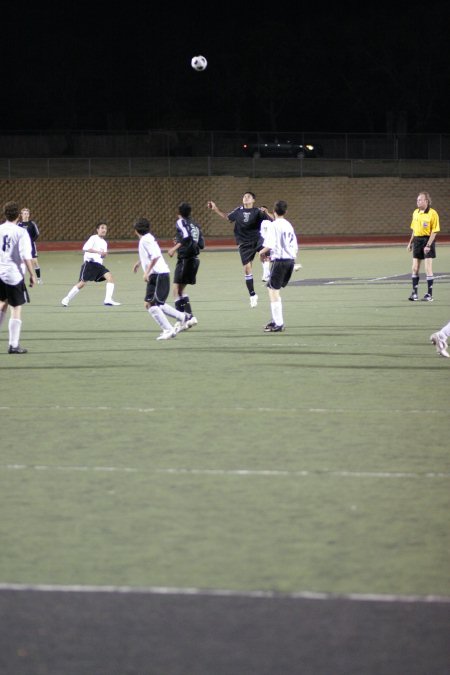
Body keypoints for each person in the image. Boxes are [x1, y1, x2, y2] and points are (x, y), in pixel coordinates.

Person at [133, 218, 197, 340]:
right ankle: (184, 318)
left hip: (158, 275)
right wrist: (139, 262)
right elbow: (153, 254)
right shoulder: (149, 238)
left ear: (136, 231)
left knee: (150, 305)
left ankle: (168, 329)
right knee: (157, 304)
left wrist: (146, 272)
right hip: (160, 274)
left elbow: (156, 256)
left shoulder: (144, 241)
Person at [207, 192, 272, 307]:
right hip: (244, 243)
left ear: (253, 200)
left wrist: (267, 212)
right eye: (244, 196)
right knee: (247, 269)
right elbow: (227, 217)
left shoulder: (257, 211)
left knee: (267, 250)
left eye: (248, 197)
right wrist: (215, 208)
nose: (246, 198)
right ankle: (252, 295)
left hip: (257, 239)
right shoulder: (238, 211)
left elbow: (273, 220)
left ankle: (268, 272)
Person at [0, 201, 36, 353]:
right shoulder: (21, 232)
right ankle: (13, 345)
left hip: (0, 272)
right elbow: (26, 256)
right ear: (18, 216)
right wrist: (33, 274)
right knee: (16, 308)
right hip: (14, 275)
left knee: (2, 304)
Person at [259, 199, 298, 332]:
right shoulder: (289, 225)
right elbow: (294, 245)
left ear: (274, 211)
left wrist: (261, 253)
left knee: (273, 290)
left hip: (280, 261)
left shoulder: (273, 225)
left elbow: (269, 244)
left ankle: (279, 323)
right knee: (274, 289)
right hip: (289, 260)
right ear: (285, 211)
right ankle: (276, 319)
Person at [61, 222, 121, 307]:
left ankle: (108, 300)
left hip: (99, 266)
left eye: (105, 228)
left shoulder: (104, 243)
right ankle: (66, 299)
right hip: (90, 264)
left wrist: (103, 255)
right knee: (82, 283)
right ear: (97, 230)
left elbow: (102, 255)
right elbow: (85, 248)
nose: (104, 230)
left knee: (110, 278)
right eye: (102, 228)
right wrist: (98, 252)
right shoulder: (93, 238)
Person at [167, 202, 203, 332]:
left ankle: (180, 320)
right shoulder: (196, 225)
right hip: (194, 260)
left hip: (185, 260)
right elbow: (201, 244)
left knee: (176, 290)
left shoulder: (181, 222)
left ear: (179, 213)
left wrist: (174, 248)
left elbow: (186, 237)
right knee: (181, 290)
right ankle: (190, 317)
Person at [406, 191, 440, 301]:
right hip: (417, 240)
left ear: (426, 201)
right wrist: (410, 243)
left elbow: (434, 231)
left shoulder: (433, 213)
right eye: (417, 200)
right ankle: (414, 293)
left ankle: (429, 294)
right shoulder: (415, 212)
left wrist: (428, 245)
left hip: (427, 240)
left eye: (420, 200)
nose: (418, 201)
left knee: (427, 268)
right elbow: (414, 230)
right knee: (415, 268)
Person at [18, 207, 42, 284]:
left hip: (31, 246)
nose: (26, 215)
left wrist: (31, 240)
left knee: (35, 262)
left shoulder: (32, 223)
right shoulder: (19, 224)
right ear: (21, 215)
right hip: (21, 247)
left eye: (27, 213)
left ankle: (39, 278)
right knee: (21, 263)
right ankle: (21, 279)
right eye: (24, 213)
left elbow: (37, 233)